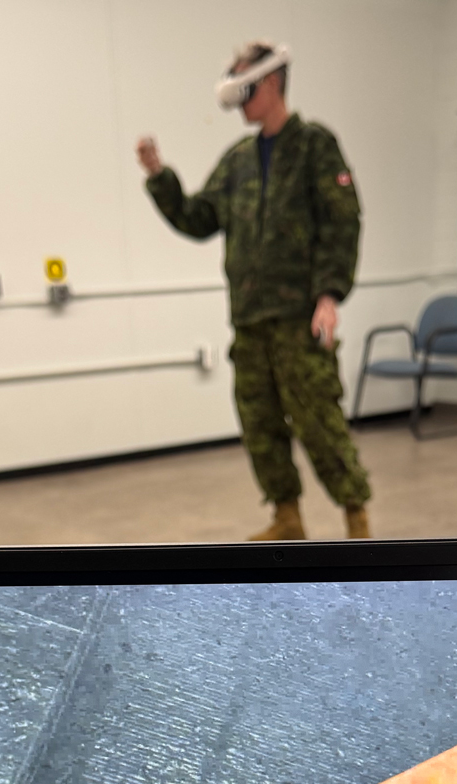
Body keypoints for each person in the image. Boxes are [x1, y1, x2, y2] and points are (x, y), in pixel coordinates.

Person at [136, 40, 372, 540]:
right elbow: (198, 218)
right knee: (260, 424)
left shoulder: (313, 145)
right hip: (249, 321)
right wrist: (160, 177)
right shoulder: (239, 159)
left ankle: (357, 521)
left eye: (245, 93)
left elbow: (342, 220)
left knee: (319, 424)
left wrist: (329, 296)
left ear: (270, 84)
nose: (240, 107)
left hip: (298, 318)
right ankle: (287, 519)